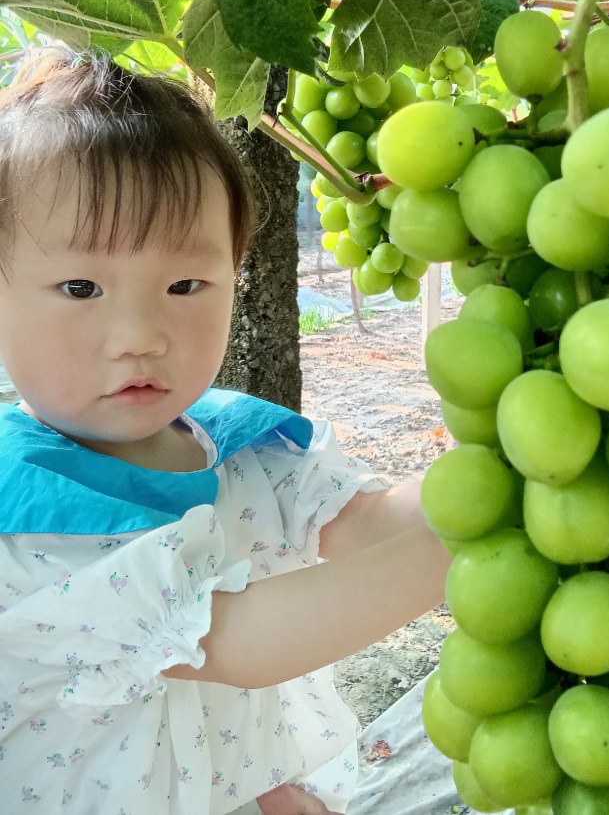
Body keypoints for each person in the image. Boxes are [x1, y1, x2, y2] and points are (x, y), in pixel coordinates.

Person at [0, 50, 449, 815]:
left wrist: (497, 469)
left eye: (186, 284)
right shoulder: (30, 519)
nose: (140, 334)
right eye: (80, 287)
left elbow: (368, 527)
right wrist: (471, 549)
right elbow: (232, 645)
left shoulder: (238, 444)